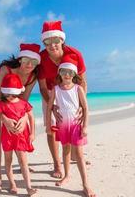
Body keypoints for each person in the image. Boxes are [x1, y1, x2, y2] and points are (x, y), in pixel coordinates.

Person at [0, 43, 40, 192]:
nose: (29, 65)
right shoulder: (6, 70)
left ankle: (22, 164)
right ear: (20, 59)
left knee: (17, 133)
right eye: (26, 60)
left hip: (14, 104)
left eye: (34, 62)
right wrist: (4, 120)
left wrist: (23, 119)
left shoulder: (33, 76)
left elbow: (24, 102)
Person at [38, 20, 88, 178]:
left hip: (72, 94)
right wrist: (51, 106)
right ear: (44, 42)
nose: (52, 45)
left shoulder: (75, 54)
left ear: (62, 40)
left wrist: (81, 103)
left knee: (75, 125)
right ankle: (57, 165)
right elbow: (42, 87)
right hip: (51, 94)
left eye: (55, 40)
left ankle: (75, 154)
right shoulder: (41, 58)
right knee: (52, 131)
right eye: (47, 41)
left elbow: (82, 82)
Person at [46, 55, 95, 197]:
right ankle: (66, 175)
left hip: (76, 125)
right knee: (65, 150)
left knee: (79, 154)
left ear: (74, 74)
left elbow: (86, 108)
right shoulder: (56, 89)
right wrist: (49, 125)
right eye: (63, 71)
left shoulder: (78, 89)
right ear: (59, 73)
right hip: (62, 126)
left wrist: (85, 126)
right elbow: (50, 107)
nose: (66, 75)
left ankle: (85, 183)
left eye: (70, 72)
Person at [0, 73, 37, 196]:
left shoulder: (23, 103)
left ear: (18, 91)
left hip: (21, 137)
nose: (9, 96)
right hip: (7, 138)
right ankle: (12, 184)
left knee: (23, 162)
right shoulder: (1, 104)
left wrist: (32, 133)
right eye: (7, 93)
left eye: (12, 93)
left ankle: (29, 187)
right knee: (8, 161)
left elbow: (31, 117)